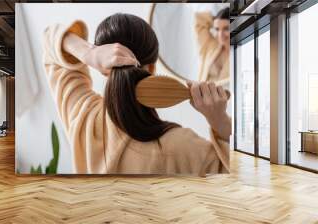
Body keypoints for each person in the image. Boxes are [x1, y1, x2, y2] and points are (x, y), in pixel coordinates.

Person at [42, 13, 231, 175]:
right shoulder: (183, 146)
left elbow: (50, 39)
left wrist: (90, 53)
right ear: (152, 67)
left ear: (103, 68)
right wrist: (221, 123)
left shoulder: (84, 117)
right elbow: (235, 179)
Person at [195, 8, 230, 86]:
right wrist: (216, 19)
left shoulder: (241, 53)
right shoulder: (210, 45)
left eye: (226, 28)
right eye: (217, 29)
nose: (220, 35)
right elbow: (199, 20)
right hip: (202, 96)